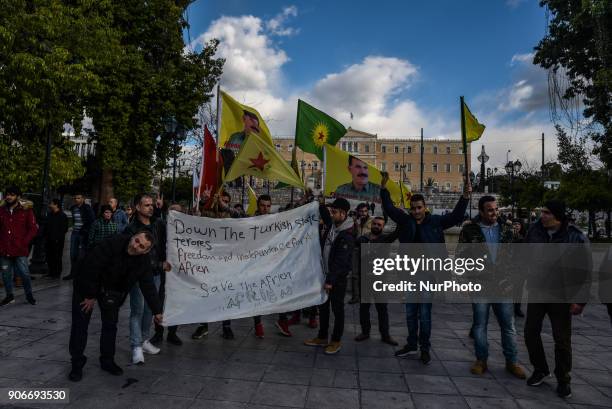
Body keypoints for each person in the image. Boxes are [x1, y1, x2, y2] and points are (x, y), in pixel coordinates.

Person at [381, 172, 470, 365]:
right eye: (413, 208)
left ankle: (424, 348)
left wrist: (464, 197)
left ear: (425, 207)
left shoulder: (436, 222)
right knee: (411, 312)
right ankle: (411, 344)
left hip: (429, 275)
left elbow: (456, 217)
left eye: (419, 208)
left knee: (425, 314)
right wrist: (383, 188)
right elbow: (389, 208)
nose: (416, 211)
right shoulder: (406, 221)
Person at [68, 231, 162, 382]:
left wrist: (157, 311)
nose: (135, 246)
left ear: (146, 251)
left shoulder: (143, 262)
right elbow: (91, 266)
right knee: (80, 324)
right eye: (136, 240)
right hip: (86, 283)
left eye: (141, 246)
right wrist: (90, 295)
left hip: (112, 291)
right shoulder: (113, 242)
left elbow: (148, 286)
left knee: (110, 325)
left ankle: (107, 361)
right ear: (133, 237)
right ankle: (77, 363)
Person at [523, 200, 591, 399]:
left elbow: (584, 271)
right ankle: (540, 369)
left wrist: (580, 300)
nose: (542, 216)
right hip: (537, 291)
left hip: (561, 295)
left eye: (546, 213)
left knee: (561, 339)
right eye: (542, 212)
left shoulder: (575, 237)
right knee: (530, 333)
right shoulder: (534, 232)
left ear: (557, 216)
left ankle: (563, 378)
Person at [457, 196, 526, 379]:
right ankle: (481, 360)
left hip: (503, 286)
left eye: (496, 209)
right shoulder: (469, 230)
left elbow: (517, 257)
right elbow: (461, 257)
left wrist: (511, 280)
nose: (494, 213)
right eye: (490, 210)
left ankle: (512, 361)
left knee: (508, 326)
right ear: (481, 211)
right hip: (480, 285)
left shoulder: (508, 229)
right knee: (480, 325)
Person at [127, 194, 178, 366]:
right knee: (137, 309)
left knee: (150, 309)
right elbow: (136, 255)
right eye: (146, 205)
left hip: (155, 275)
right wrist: (159, 264)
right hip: (138, 275)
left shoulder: (158, 223)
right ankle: (136, 346)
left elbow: (176, 228)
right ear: (138, 207)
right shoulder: (132, 228)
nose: (150, 207)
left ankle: (143, 340)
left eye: (151, 205)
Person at [304, 198, 354, 354]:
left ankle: (336, 341)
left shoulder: (347, 234)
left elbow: (340, 261)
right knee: (323, 308)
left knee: (337, 310)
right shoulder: (333, 225)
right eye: (331, 212)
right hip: (324, 275)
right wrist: (317, 201)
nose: (331, 215)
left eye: (334, 212)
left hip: (336, 280)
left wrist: (330, 281)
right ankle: (322, 336)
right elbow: (325, 214)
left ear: (343, 213)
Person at [192, 190, 243, 340]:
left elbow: (241, 216)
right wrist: (203, 201)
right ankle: (203, 325)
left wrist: (225, 207)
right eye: (221, 201)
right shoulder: (208, 214)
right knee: (205, 293)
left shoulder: (233, 215)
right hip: (208, 262)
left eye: (226, 201)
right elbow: (196, 214)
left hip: (227, 263)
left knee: (226, 293)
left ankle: (226, 326)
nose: (223, 203)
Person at [354, 216, 399, 345]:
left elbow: (397, 232)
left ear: (383, 227)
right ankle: (365, 332)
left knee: (382, 309)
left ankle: (385, 335)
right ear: (371, 225)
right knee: (364, 308)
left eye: (379, 225)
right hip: (365, 279)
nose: (376, 226)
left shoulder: (385, 239)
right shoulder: (363, 239)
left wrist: (395, 213)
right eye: (374, 224)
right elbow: (352, 241)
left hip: (380, 280)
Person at [0, 185, 39, 306]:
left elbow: (33, 229)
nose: (9, 197)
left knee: (24, 274)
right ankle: (9, 296)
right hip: (4, 249)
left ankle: (29, 295)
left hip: (20, 249)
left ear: (18, 196)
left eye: (12, 195)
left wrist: (24, 242)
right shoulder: (1, 210)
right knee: (6, 275)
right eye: (7, 194)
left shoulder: (26, 210)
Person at [64, 193, 95, 280]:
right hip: (75, 233)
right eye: (75, 198)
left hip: (83, 234)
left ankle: (80, 273)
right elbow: (74, 220)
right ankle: (72, 273)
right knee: (72, 253)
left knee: (81, 255)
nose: (76, 199)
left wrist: (85, 230)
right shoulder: (74, 208)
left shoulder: (87, 208)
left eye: (78, 198)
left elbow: (91, 220)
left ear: (83, 199)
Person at [348, 203, 373, 304]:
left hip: (367, 249)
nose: (363, 213)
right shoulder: (355, 220)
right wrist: (354, 222)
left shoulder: (372, 221)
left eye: (365, 211)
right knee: (354, 274)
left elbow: (375, 233)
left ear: (368, 211)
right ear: (358, 211)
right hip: (355, 249)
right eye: (361, 211)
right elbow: (352, 233)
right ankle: (355, 296)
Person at [44, 199, 69, 278]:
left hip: (57, 240)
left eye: (51, 203)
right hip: (49, 239)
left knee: (57, 257)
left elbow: (64, 229)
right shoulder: (50, 214)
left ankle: (57, 273)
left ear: (56, 205)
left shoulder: (62, 215)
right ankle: (51, 272)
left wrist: (58, 238)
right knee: (49, 256)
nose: (50, 205)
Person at [512, 219, 526, 317]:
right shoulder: (507, 236)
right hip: (509, 266)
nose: (516, 226)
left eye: (518, 224)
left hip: (520, 266)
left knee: (518, 288)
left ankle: (517, 308)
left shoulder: (524, 237)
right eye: (514, 224)